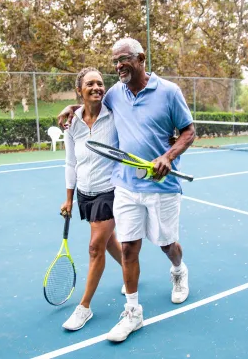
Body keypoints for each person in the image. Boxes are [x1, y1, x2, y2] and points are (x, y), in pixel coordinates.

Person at [57, 38, 195, 342]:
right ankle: (133, 312)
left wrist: (168, 156)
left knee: (166, 244)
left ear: (141, 58)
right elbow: (90, 103)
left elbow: (189, 131)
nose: (118, 66)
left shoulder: (169, 92)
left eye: (124, 59)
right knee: (130, 248)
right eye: (115, 61)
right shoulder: (115, 94)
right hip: (126, 186)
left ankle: (178, 270)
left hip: (163, 187)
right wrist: (72, 107)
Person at [59, 67, 125, 331]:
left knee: (95, 247)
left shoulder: (115, 114)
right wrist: (68, 198)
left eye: (100, 83)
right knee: (108, 242)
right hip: (85, 193)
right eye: (90, 84)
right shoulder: (71, 122)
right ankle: (129, 268)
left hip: (110, 189)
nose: (97, 87)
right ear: (80, 90)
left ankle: (84, 307)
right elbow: (70, 162)